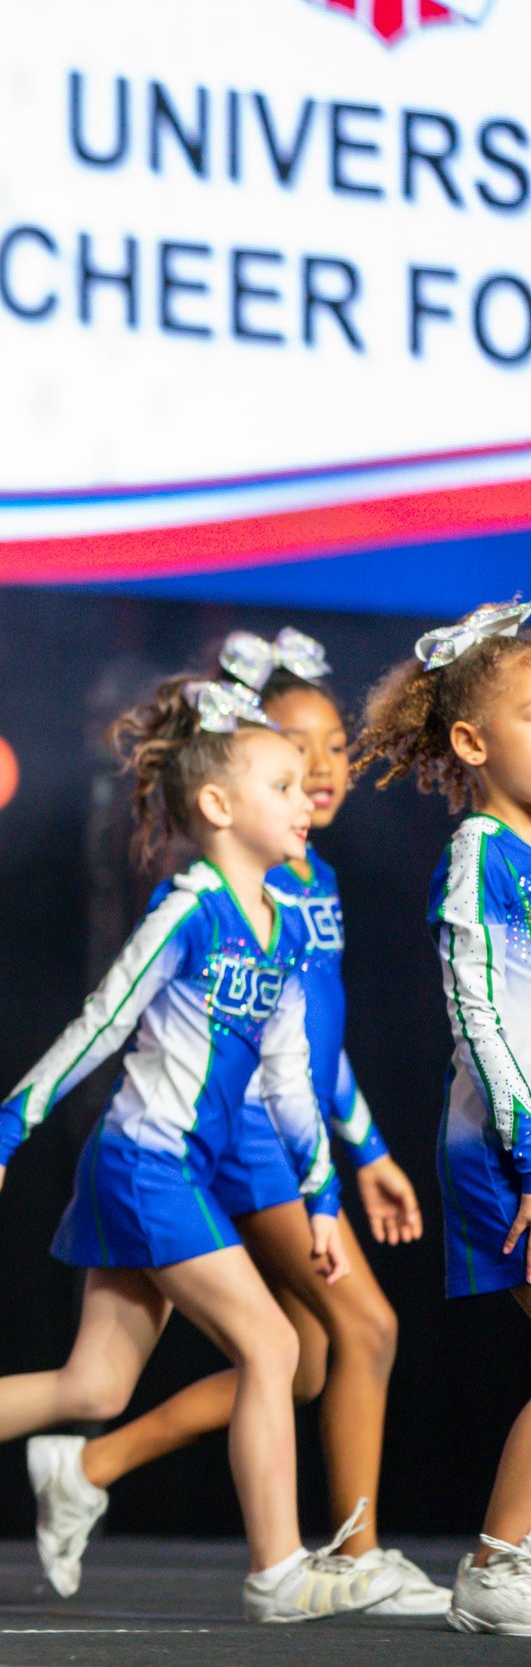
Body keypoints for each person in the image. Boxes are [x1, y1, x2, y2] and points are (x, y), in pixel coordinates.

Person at [0, 666, 396, 1623]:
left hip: (181, 1170)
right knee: (275, 1344)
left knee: (93, 1384)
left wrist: (324, 1201)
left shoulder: (286, 923)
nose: (307, 799)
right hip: (145, 1165)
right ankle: (279, 1568)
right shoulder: (187, 907)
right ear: (219, 806)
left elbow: (293, 1076)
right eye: (284, 784)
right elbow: (99, 1025)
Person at [33, 629, 442, 1613]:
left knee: (300, 1362)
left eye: (334, 748)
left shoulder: (312, 878)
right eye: (293, 755)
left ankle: (88, 1467)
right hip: (243, 1138)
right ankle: (350, 1552)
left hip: (287, 1131)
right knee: (364, 1324)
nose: (320, 771)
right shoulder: (241, 877)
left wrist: (368, 1146)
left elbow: (313, 1038)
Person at [351, 601, 531, 1634]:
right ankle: (498, 1563)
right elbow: (481, 1015)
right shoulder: (478, 853)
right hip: (504, 1148)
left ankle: (504, 1558)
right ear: (471, 741)